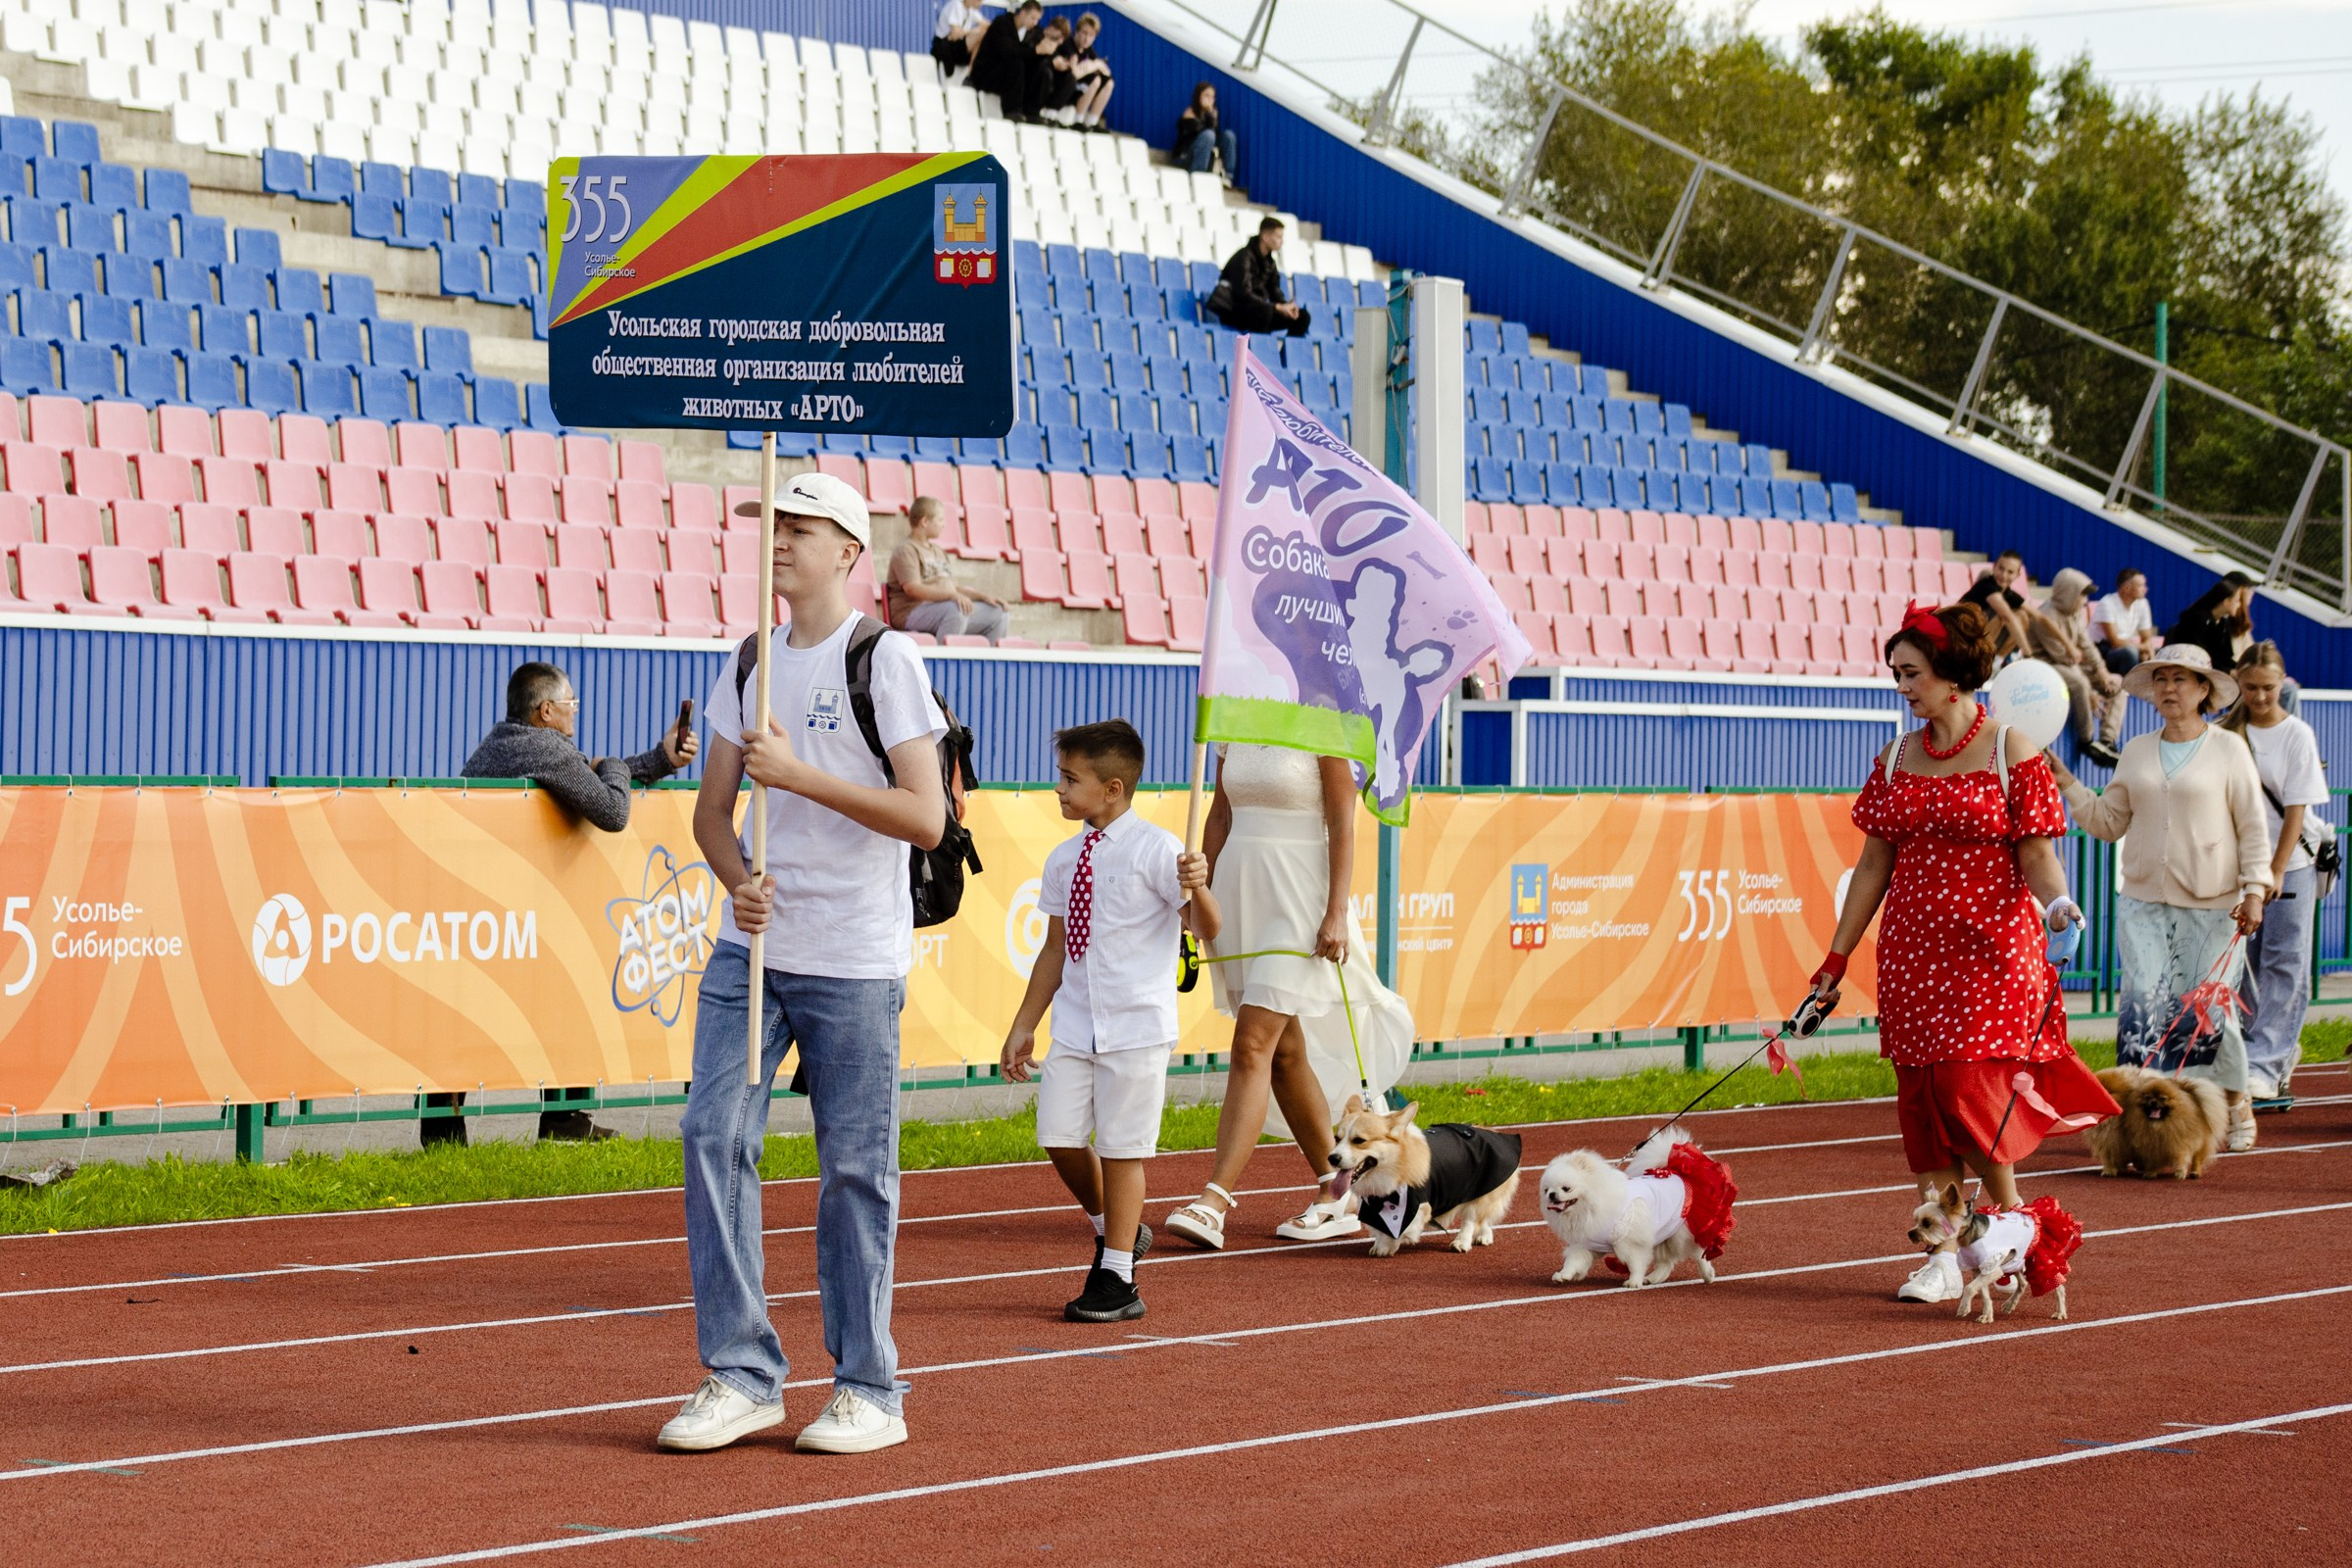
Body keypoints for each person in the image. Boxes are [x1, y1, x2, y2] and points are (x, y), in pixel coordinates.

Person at [658, 471, 948, 1457]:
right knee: (710, 1132)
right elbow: (711, 813)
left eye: (801, 527)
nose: (778, 540)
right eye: (770, 525)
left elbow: (927, 817)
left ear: (848, 553)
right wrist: (739, 878)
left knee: (855, 1171)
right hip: (755, 947)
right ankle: (742, 1372)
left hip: (855, 960)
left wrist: (802, 777)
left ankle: (871, 1387)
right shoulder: (748, 660)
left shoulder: (888, 658)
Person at [1804, 602, 2116, 1306]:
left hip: (1993, 953)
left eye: (1911, 673)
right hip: (1913, 954)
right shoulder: (1894, 759)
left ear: (1952, 674)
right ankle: (1945, 1253)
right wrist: (1836, 957)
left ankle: (2007, 1227)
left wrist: (2060, 905)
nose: (1902, 687)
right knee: (1920, 1101)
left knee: (1963, 1089)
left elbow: (2038, 854)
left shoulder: (2015, 751)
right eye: (1896, 674)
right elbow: (1874, 864)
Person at [999, 721, 1221, 1324]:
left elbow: (1207, 929)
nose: (1059, 790)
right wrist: (1025, 1023)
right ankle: (1114, 1228)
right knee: (1060, 1136)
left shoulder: (1157, 850)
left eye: (1071, 780)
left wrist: (1198, 889)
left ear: (1114, 788)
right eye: (1061, 777)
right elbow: (1053, 949)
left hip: (1136, 1026)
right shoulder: (1064, 857)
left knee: (1123, 1150)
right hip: (1075, 1024)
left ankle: (1118, 1276)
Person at [428, 663, 698, 1147]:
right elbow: (612, 811)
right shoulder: (546, 749)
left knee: (463, 1016)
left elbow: (587, 777)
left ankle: (447, 1130)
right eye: (570, 704)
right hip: (527, 912)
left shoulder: (500, 743)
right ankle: (563, 1119)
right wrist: (612, 764)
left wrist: (658, 758)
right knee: (572, 992)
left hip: (482, 906)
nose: (575, 712)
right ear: (546, 711)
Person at [1162, 743, 1412, 1250]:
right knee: (1285, 1053)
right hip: (1241, 893)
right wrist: (1198, 893)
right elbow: (1221, 813)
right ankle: (1336, 1187)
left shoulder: (1321, 717)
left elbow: (1344, 818)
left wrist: (1337, 910)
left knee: (1252, 1042)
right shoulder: (1232, 714)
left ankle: (1214, 1201)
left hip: (1301, 897)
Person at [2045, 644, 2272, 1154]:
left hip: (2214, 904)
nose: (2171, 688)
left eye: (2183, 679)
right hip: (2144, 901)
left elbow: (2253, 828)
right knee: (2144, 1005)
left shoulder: (2230, 749)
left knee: (2205, 1015)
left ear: (2204, 691)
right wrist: (2070, 784)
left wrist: (2255, 890)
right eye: (2163, 679)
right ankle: (2143, 1128)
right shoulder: (2138, 749)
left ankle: (2233, 1103)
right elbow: (2109, 822)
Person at [2219, 643, 2328, 1110]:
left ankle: (2267, 1064)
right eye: (2251, 688)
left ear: (2282, 683)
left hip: (2292, 865)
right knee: (2243, 968)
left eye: (2268, 687)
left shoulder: (2296, 734)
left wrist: (2276, 871)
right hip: (2239, 868)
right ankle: (2251, 1058)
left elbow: (2297, 810)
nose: (2260, 697)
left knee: (2285, 963)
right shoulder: (2225, 733)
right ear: (2236, 682)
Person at [2027, 568, 2124, 768]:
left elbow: (2085, 644)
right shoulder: (2045, 615)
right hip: (2046, 666)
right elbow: (2062, 655)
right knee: (2079, 683)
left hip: (2071, 665)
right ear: (2068, 592)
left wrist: (2101, 671)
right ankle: (2087, 740)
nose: (2085, 600)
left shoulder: (2076, 613)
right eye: (2082, 594)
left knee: (2118, 684)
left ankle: (2106, 741)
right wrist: (2089, 689)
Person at [889, 496, 1008, 643]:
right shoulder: (906, 550)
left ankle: (985, 664)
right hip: (911, 612)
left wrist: (983, 597)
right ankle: (943, 662)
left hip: (944, 608)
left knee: (999, 612)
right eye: (940, 520)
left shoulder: (939, 552)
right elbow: (912, 589)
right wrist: (952, 596)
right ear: (925, 521)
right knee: (956, 610)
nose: (944, 525)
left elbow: (954, 588)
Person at [1210, 217, 1310, 338]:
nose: (1281, 242)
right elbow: (1243, 294)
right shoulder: (1243, 257)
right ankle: (1257, 350)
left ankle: (1281, 355)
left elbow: (1275, 291)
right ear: (1266, 237)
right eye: (1278, 237)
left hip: (1259, 310)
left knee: (1302, 317)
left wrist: (1286, 307)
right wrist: (1276, 307)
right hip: (1235, 310)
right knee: (1265, 311)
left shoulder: (1270, 263)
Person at [2162, 569, 2256, 674]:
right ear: (2226, 602)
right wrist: (2229, 671)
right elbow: (2199, 657)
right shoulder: (2197, 620)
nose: (2240, 605)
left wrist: (2240, 670)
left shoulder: (2222, 623)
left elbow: (2224, 656)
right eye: (2237, 601)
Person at [967, 0, 1041, 116]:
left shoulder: (1028, 33)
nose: (1035, 23)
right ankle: (1012, 111)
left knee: (1034, 69)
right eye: (1033, 18)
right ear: (1023, 13)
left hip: (1000, 75)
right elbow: (1007, 51)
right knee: (1016, 64)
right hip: (984, 74)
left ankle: (1030, 111)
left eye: (1037, 19)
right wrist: (1036, 50)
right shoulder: (1002, 23)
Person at [1958, 549, 2032, 658]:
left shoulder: (2006, 593)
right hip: (1962, 640)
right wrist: (2029, 654)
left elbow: (2039, 617)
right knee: (2002, 616)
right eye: (2001, 569)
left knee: (2022, 615)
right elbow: (2006, 616)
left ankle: (1998, 660)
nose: (2004, 575)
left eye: (2010, 572)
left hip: (1979, 638)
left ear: (2017, 575)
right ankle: (1984, 658)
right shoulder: (1987, 587)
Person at [1048, 13, 1114, 130]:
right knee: (1095, 80)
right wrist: (1094, 65)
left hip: (1078, 89)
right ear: (1077, 31)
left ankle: (1092, 121)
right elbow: (1075, 73)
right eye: (1084, 33)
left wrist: (1093, 65)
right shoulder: (1068, 45)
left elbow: (1106, 72)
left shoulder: (1089, 51)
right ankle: (1078, 120)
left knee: (1109, 83)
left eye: (1091, 35)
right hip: (1061, 90)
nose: (1087, 38)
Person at [2091, 566, 2159, 674]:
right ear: (2126, 588)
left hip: (2127, 645)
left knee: (2161, 653)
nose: (2145, 589)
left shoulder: (2142, 603)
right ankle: (2129, 689)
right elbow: (2115, 641)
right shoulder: (2107, 603)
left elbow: (2146, 637)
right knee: (2130, 653)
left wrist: (2147, 650)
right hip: (2102, 650)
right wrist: (2143, 648)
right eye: (2141, 585)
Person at [1176, 81, 1236, 180]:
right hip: (1185, 156)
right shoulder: (1189, 114)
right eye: (1206, 96)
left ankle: (1228, 175)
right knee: (1208, 135)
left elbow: (1215, 138)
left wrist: (1211, 117)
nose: (1209, 100)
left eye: (1212, 97)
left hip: (1205, 156)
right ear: (1198, 96)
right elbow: (1200, 134)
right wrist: (1210, 117)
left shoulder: (1211, 115)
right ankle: (1197, 175)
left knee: (1229, 135)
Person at [932, 0, 990, 75]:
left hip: (956, 47)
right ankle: (971, 74)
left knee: (983, 34)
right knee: (979, 33)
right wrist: (973, 31)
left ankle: (973, 72)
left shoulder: (970, 10)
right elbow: (955, 35)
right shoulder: (956, 5)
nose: (981, 3)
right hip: (944, 46)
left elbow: (986, 24)